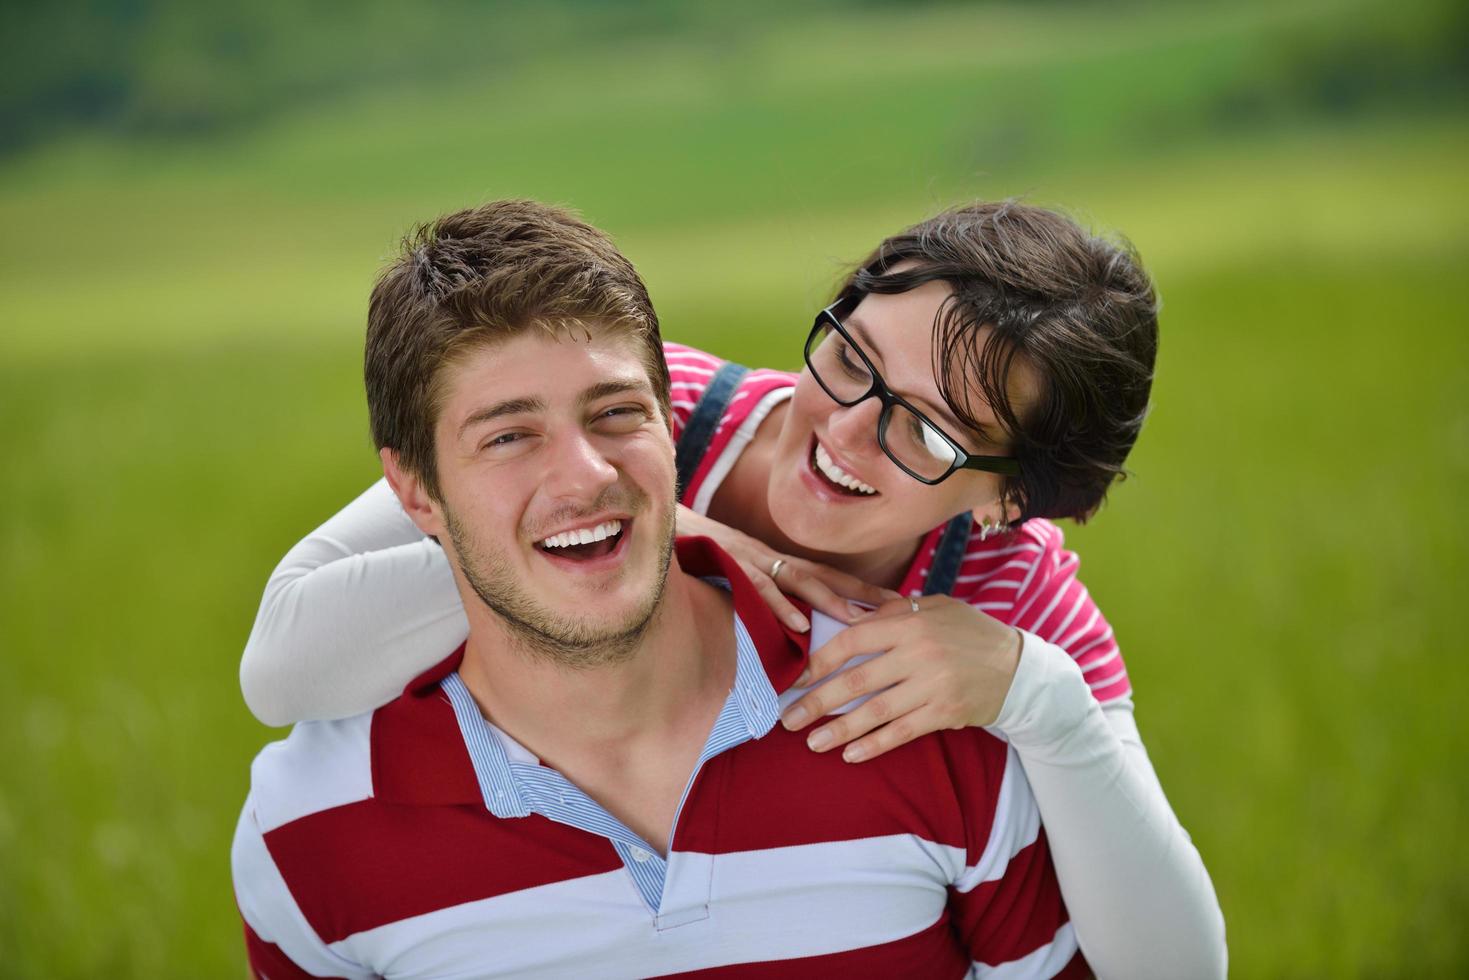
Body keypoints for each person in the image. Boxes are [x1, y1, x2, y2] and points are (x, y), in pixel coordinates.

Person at [240, 201, 1227, 978]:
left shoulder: (1011, 591)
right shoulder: (631, 411)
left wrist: (1036, 694)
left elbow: (1174, 966)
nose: (843, 430)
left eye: (926, 432)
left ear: (1010, 498)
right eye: (849, 358)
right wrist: (642, 528)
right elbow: (281, 666)